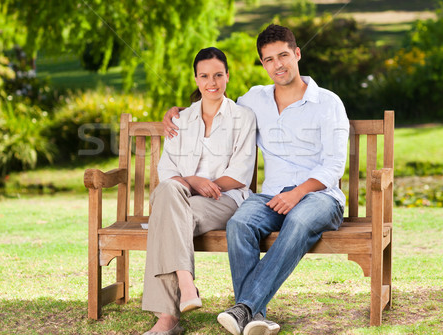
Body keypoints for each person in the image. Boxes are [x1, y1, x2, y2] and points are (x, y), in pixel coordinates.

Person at [163, 24, 349, 335]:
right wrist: (178, 113)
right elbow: (216, 104)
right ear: (262, 64)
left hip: (321, 198)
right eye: (269, 59)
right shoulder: (254, 100)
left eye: (284, 55)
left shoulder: (327, 102)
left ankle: (244, 307)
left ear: (297, 54)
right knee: (240, 223)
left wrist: (299, 192)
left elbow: (334, 165)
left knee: (299, 221)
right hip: (271, 196)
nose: (279, 65)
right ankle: (254, 318)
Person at [142, 47, 256, 335]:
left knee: (164, 218)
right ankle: (186, 283)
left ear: (227, 76)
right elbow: (167, 172)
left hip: (223, 199)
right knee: (169, 195)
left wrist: (209, 185)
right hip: (181, 197)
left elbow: (241, 173)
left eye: (218, 75)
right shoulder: (180, 120)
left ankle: (167, 319)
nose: (212, 82)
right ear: (196, 80)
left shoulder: (243, 117)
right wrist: (193, 181)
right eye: (204, 76)